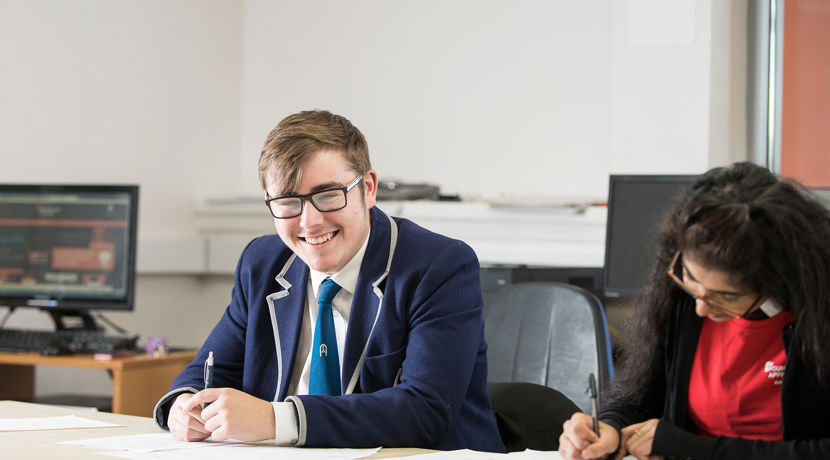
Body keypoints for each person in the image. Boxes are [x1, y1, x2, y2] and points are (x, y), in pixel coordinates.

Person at [152, 109, 505, 452]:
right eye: (289, 202)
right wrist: (185, 406)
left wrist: (276, 420)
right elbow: (210, 370)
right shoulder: (262, 264)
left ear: (368, 188)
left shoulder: (438, 267)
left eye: (328, 195)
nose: (310, 221)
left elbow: (425, 411)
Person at [560, 162, 830, 460]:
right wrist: (609, 426)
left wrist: (696, 448)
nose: (701, 307)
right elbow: (645, 397)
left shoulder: (819, 319)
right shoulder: (681, 302)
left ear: (776, 278)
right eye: (690, 279)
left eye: (726, 296)